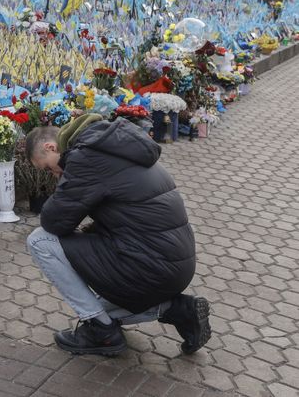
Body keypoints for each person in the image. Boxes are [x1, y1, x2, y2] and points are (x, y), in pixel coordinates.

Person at [23, 114, 210, 356]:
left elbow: (53, 221)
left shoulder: (86, 158)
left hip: (151, 266)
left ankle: (102, 332)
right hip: (173, 264)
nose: (54, 174)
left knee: (39, 240)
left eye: (48, 167)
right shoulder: (114, 145)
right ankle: (177, 310)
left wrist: (65, 182)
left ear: (51, 147)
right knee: (101, 307)